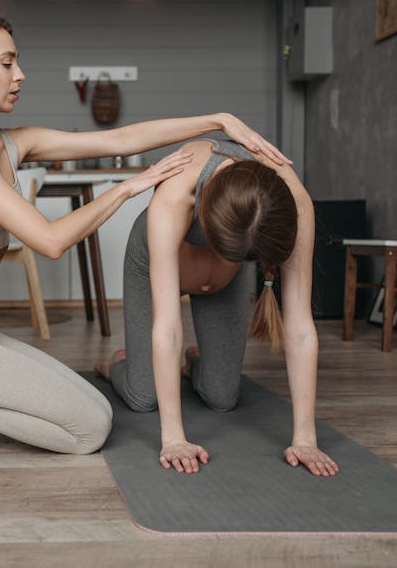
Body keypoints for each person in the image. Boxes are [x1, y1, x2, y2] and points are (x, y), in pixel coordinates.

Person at [0, 11, 287, 457]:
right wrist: (126, 189)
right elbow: (51, 241)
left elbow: (120, 140)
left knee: (97, 407)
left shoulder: (8, 143)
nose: (20, 74)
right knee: (89, 431)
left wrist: (216, 120)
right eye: (7, 63)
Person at [93, 136, 340, 477]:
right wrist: (174, 439)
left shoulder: (293, 205)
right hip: (155, 260)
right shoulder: (177, 193)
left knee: (222, 397)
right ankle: (119, 363)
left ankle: (195, 360)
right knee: (143, 397)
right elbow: (167, 324)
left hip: (224, 275)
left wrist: (306, 438)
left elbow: (298, 327)